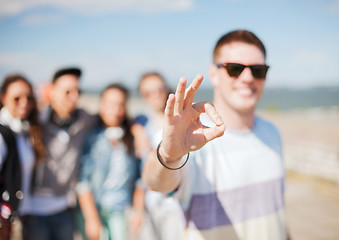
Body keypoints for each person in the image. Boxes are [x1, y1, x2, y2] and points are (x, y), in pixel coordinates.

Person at [143, 29, 289, 240]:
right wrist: (168, 155)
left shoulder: (272, 133)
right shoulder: (191, 138)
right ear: (213, 74)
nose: (248, 78)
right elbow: (156, 183)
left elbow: (278, 213)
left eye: (258, 70)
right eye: (235, 69)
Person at [27, 67, 96, 240]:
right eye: (67, 92)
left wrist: (137, 129)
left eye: (77, 91)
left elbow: (111, 117)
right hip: (34, 210)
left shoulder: (84, 119)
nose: (74, 97)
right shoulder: (35, 121)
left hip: (65, 208)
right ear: (52, 91)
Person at [76, 83, 139, 240]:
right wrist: (91, 219)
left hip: (119, 209)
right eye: (110, 104)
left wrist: (137, 210)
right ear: (101, 105)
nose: (116, 110)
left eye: (120, 105)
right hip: (95, 208)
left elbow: (139, 177)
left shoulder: (130, 137)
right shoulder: (92, 137)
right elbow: (82, 181)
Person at [133, 72, 185, 240]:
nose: (155, 95)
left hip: (176, 200)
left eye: (158, 89)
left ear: (166, 89)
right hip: (151, 199)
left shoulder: (180, 117)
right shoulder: (142, 121)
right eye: (148, 92)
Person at [0, 74, 44, 240]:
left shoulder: (24, 129)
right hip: (6, 218)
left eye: (29, 98)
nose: (24, 103)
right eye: (17, 98)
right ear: (3, 98)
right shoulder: (3, 133)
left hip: (24, 213)